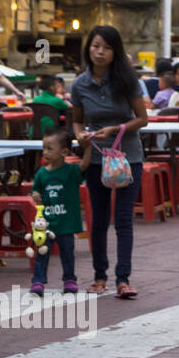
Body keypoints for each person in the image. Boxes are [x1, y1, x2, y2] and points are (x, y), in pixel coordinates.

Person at [71, 25, 149, 299]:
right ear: (88, 49)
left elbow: (142, 119)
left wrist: (116, 129)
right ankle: (99, 277)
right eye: (95, 46)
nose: (100, 52)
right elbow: (77, 119)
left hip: (128, 158)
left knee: (124, 219)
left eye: (106, 47)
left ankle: (123, 279)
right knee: (99, 218)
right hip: (95, 159)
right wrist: (80, 134)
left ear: (115, 52)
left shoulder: (128, 80)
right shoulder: (79, 84)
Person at [30, 128, 90, 295]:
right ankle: (38, 281)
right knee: (42, 253)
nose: (45, 152)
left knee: (67, 253)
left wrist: (88, 148)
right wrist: (35, 195)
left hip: (66, 223)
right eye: (44, 148)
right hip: (47, 224)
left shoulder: (71, 171)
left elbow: (84, 165)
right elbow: (36, 192)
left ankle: (69, 279)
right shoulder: (41, 173)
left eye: (50, 148)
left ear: (64, 151)